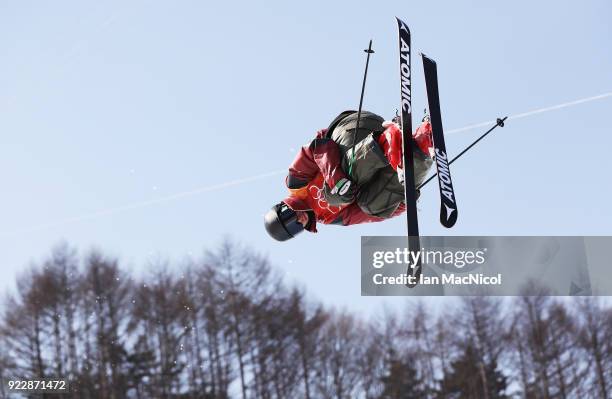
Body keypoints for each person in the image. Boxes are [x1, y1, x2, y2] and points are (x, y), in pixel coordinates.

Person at [264, 110, 434, 241]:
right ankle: (421, 148)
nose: (298, 220)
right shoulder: (330, 218)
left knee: (335, 195)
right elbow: (369, 215)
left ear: (284, 207)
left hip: (353, 129)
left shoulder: (296, 184)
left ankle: (388, 139)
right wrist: (403, 199)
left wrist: (336, 180)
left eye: (289, 218)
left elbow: (320, 147)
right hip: (374, 157)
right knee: (371, 206)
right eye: (295, 228)